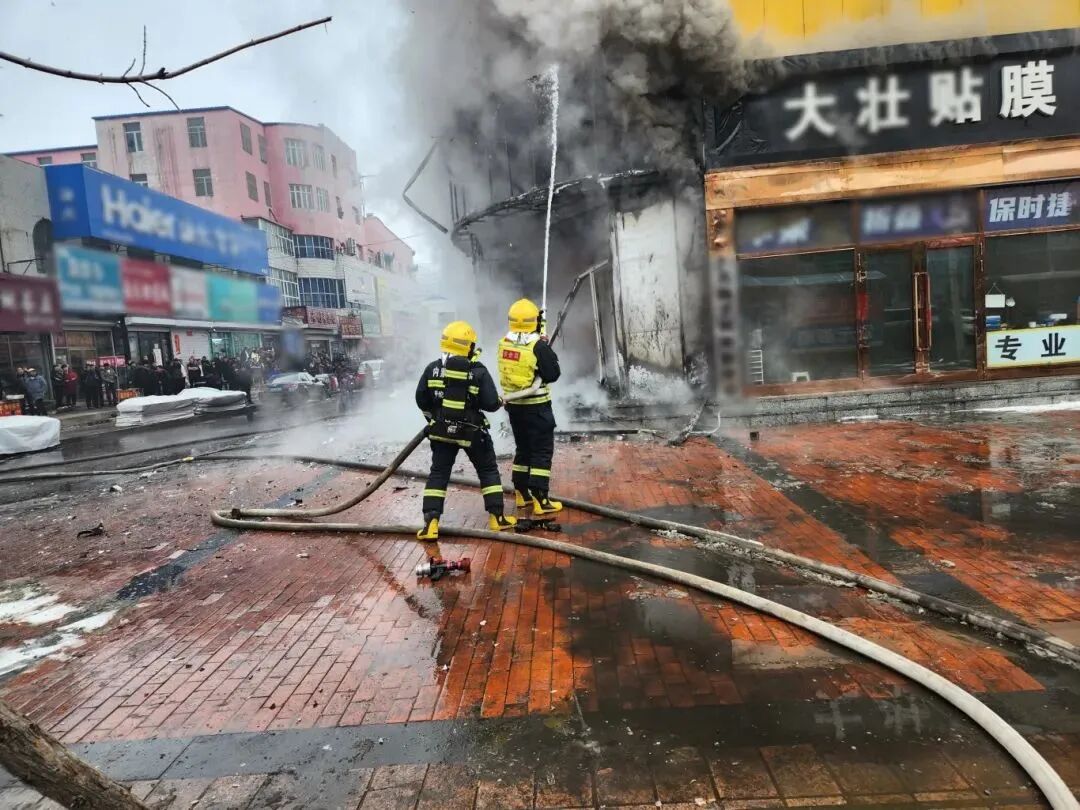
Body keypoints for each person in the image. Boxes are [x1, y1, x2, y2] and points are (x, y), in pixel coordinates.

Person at [414, 321, 517, 541]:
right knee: (487, 470)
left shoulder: (432, 369)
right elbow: (490, 403)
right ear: (468, 346)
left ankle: (430, 525)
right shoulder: (477, 370)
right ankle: (497, 519)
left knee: (438, 474)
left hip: (441, 432)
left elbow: (421, 400)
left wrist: (433, 420)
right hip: (473, 432)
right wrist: (500, 401)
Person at [497, 298, 563, 516]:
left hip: (515, 408)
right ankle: (540, 498)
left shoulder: (504, 343)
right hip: (537, 408)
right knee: (541, 452)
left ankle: (521, 492)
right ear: (535, 321)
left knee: (523, 449)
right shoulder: (537, 346)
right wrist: (545, 349)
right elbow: (552, 374)